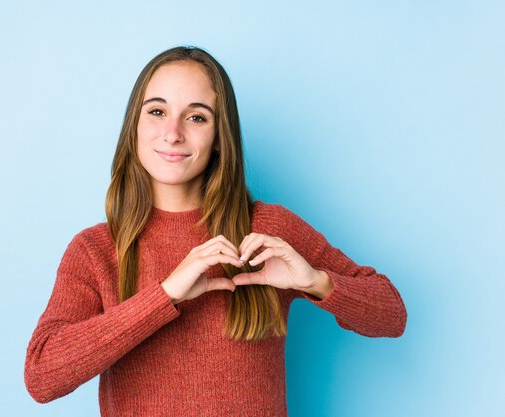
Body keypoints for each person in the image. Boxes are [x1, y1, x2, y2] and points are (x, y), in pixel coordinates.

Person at [24, 45, 407, 416]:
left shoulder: (267, 229)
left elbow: (391, 314)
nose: (172, 133)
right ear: (133, 128)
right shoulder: (96, 250)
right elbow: (42, 377)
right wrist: (165, 296)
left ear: (220, 138)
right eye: (157, 111)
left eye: (196, 117)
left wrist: (317, 281)